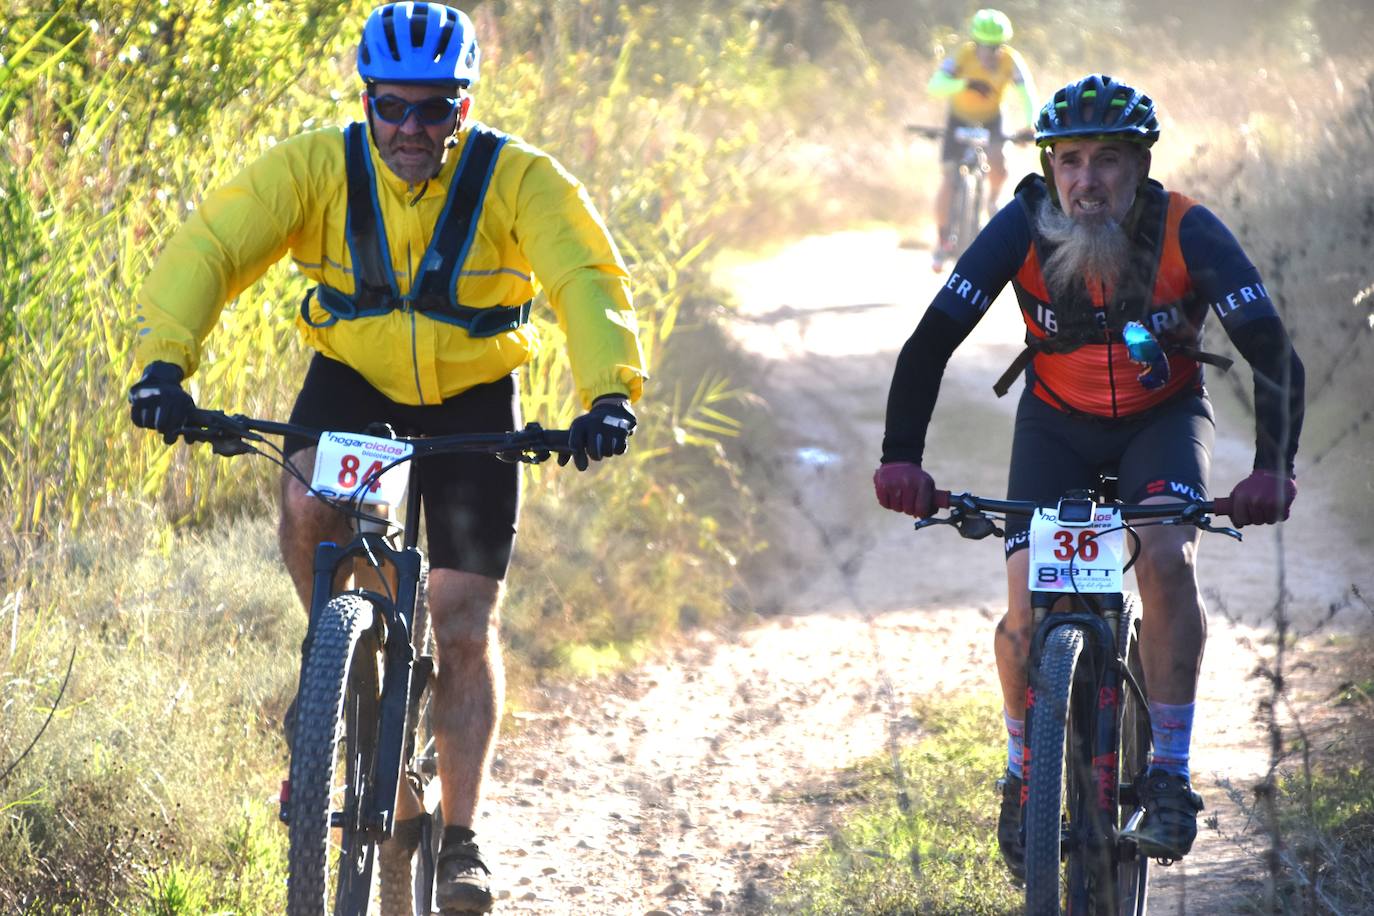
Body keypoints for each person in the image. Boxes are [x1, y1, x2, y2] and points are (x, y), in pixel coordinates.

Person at [127, 3, 647, 911]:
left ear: (465, 105)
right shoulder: (314, 169)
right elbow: (212, 245)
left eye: (435, 109)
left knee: (458, 619)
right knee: (307, 511)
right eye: (393, 107)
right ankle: (337, 677)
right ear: (365, 101)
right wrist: (165, 366)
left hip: (474, 403)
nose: (412, 129)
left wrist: (608, 395)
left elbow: (585, 277)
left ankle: (461, 837)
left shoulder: (518, 179)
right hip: (355, 388)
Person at [873, 74, 1305, 878]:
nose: (1087, 179)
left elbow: (1274, 351)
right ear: (1048, 167)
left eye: (1109, 159)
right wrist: (902, 458)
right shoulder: (1020, 226)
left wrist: (1271, 470)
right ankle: (1020, 773)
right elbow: (930, 342)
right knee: (1025, 607)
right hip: (1055, 427)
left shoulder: (1190, 230)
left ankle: (1169, 773)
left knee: (1168, 562)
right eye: (1070, 160)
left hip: (1162, 421)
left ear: (1141, 168)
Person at [926, 8, 1037, 271]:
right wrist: (964, 84)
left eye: (995, 46)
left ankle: (992, 199)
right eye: (984, 46)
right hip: (959, 118)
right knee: (949, 178)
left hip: (991, 118)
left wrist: (1030, 125)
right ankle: (942, 240)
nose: (989, 51)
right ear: (975, 43)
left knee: (999, 164)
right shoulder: (962, 55)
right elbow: (935, 86)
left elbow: (1027, 93)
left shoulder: (1011, 60)